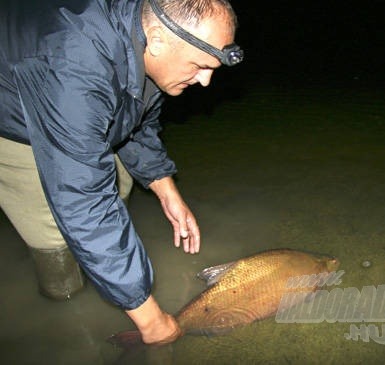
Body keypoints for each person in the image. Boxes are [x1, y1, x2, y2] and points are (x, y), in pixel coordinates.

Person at [0, 0, 242, 344]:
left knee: (118, 181)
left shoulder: (144, 41)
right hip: (15, 119)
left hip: (72, 102)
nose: (205, 82)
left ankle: (105, 265)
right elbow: (83, 201)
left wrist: (166, 190)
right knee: (56, 227)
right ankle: (64, 307)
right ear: (157, 39)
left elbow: (136, 120)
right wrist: (151, 320)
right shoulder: (73, 65)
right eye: (200, 66)